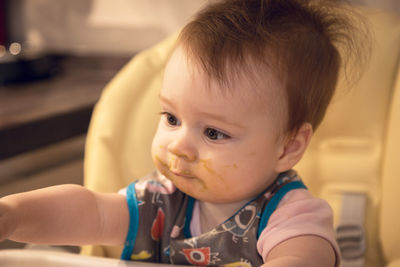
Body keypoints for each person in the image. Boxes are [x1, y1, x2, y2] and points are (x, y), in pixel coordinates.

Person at [0, 0, 369, 266]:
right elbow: (90, 211)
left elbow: (304, 256)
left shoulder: (290, 218)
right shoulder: (161, 201)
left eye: (213, 133)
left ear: (288, 147)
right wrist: (14, 215)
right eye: (172, 118)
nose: (179, 146)